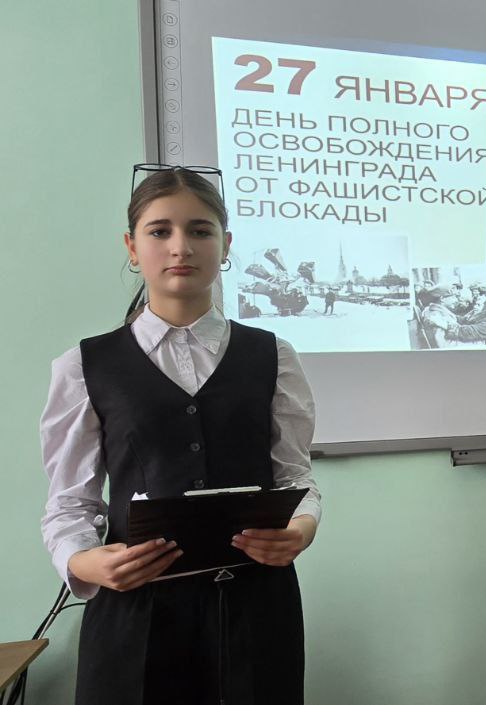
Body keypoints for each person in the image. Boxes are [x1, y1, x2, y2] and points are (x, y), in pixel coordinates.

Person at [39, 166, 322, 705]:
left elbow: (294, 476)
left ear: (225, 245)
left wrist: (302, 528)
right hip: (136, 616)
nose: (180, 247)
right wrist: (83, 561)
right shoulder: (83, 366)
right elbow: (70, 502)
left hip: (257, 611)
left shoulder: (274, 356)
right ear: (132, 246)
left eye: (199, 230)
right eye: (159, 230)